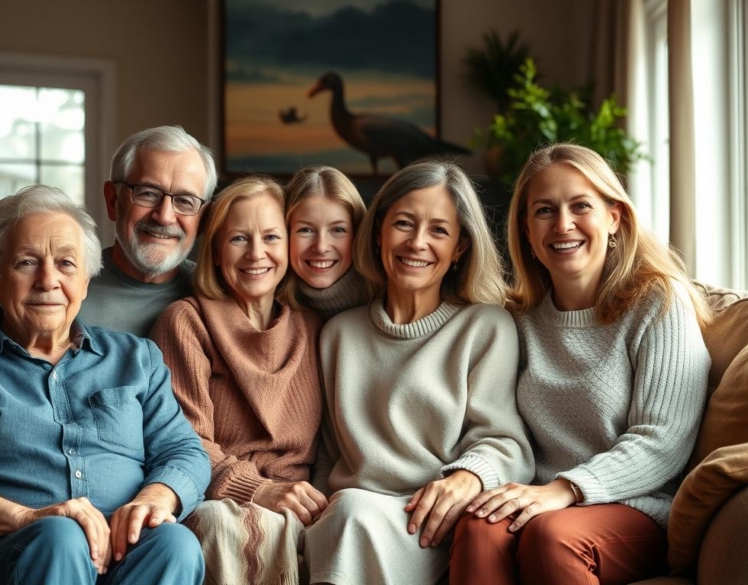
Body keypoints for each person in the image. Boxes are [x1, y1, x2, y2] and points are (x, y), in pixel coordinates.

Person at [0, 185, 212, 585]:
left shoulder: (136, 358)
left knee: (173, 543)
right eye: (26, 262)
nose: (48, 280)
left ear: (87, 280)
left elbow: (184, 450)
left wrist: (152, 500)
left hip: (118, 555)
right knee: (59, 537)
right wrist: (26, 518)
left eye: (67, 264)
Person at [449, 143, 712, 584]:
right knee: (478, 526)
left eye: (580, 206)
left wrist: (566, 490)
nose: (563, 224)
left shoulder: (658, 303)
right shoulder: (515, 319)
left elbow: (662, 441)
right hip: (539, 501)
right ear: (526, 231)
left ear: (614, 217)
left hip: (635, 506)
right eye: (544, 211)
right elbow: (491, 426)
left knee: (552, 535)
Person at [304, 160, 534, 584]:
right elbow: (327, 456)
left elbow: (505, 441)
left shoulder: (485, 327)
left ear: (460, 248)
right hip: (349, 513)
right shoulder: (338, 335)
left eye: (439, 231)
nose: (417, 243)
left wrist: (468, 476)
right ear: (378, 234)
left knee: (352, 515)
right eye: (404, 224)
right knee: (347, 513)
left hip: (434, 520)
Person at [0, 125, 217, 382]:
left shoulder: (214, 293)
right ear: (113, 200)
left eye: (185, 201)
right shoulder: (64, 281)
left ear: (202, 217)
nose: (164, 215)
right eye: (148, 193)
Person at [149, 176, 325, 585]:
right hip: (218, 495)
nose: (257, 253)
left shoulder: (315, 327)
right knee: (219, 524)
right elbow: (183, 440)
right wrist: (257, 491)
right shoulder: (187, 322)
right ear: (214, 249)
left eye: (271, 237)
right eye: (239, 239)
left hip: (303, 498)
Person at [283, 165, 368, 319]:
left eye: (338, 230)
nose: (321, 247)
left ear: (359, 235)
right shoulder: (271, 312)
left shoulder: (387, 303)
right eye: (306, 230)